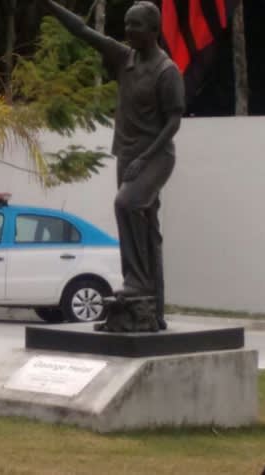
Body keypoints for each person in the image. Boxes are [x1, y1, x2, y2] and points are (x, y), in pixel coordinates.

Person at [39, 0, 185, 328]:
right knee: (147, 231)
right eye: (127, 24)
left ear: (154, 30)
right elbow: (82, 30)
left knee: (126, 205)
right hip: (128, 153)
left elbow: (174, 122)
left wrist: (146, 158)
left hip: (157, 156)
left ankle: (137, 284)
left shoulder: (167, 71)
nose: (128, 31)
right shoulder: (124, 58)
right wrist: (48, 5)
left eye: (136, 25)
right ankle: (151, 309)